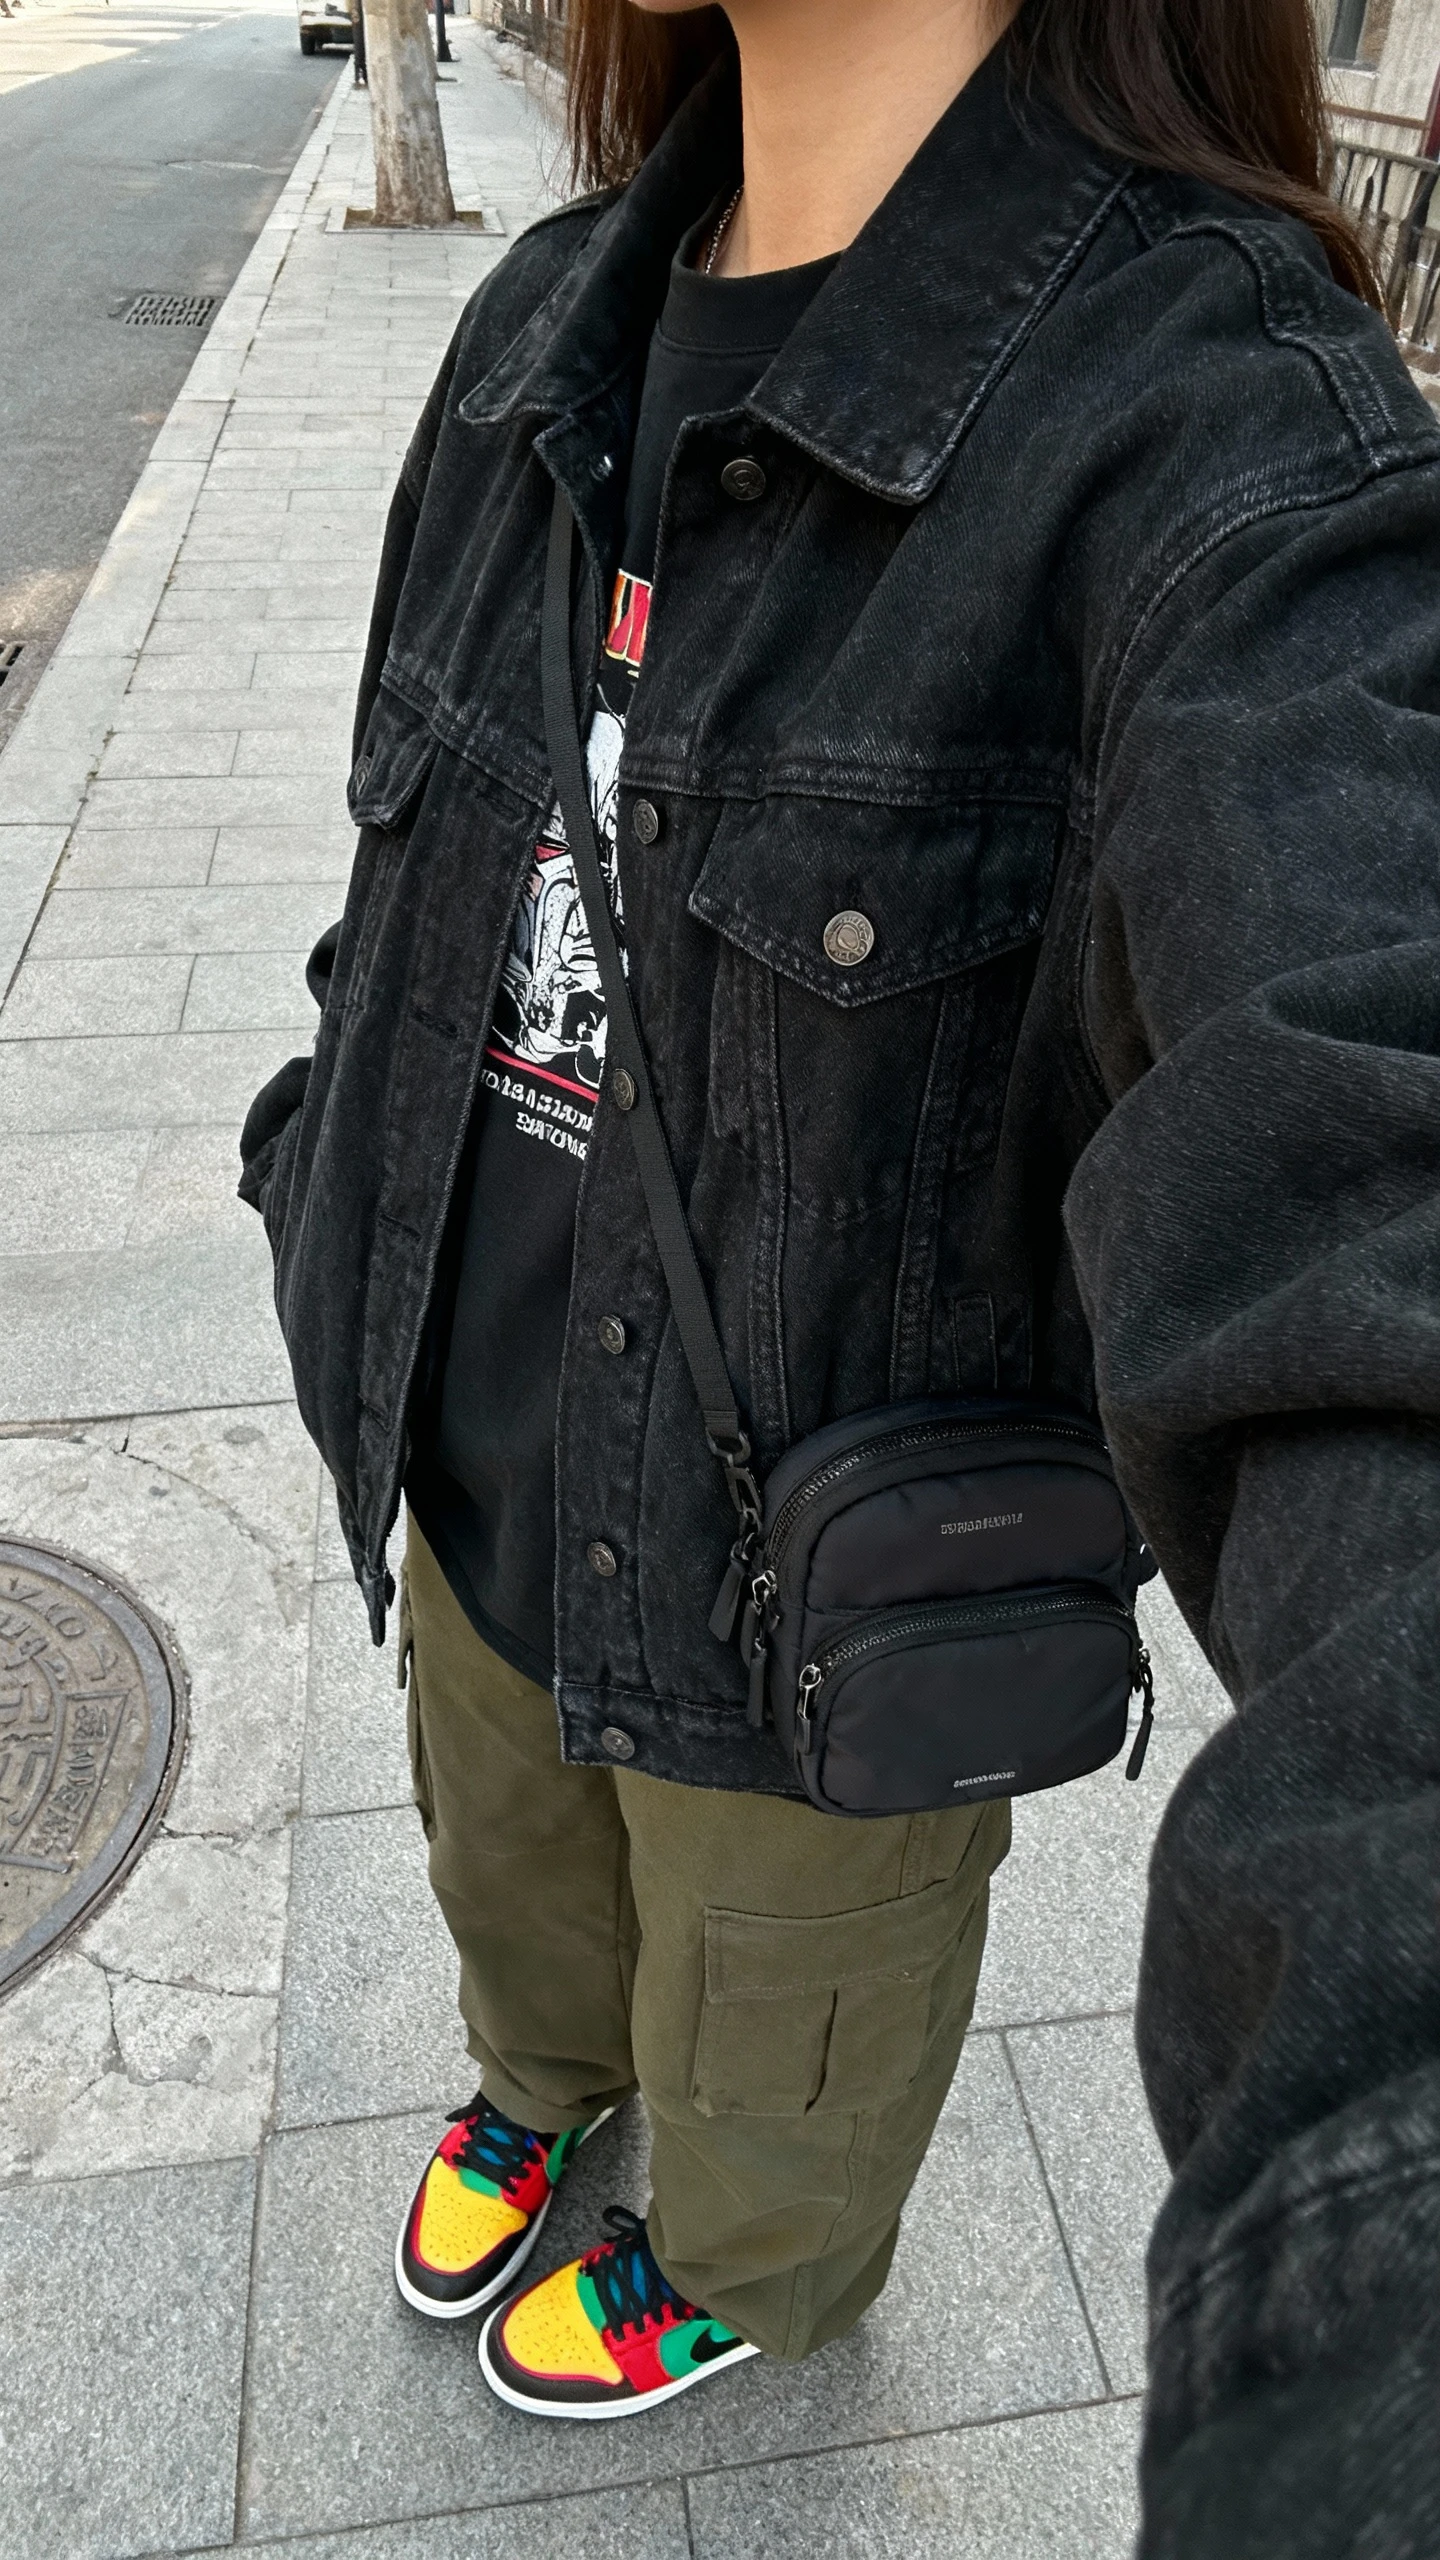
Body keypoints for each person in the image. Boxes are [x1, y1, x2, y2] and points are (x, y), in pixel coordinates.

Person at [240, 0, 1440, 2541]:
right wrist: (310, 1167)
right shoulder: (537, 325)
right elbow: (398, 883)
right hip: (469, 1462)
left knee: (785, 2001)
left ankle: (741, 2247)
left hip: (812, 1594)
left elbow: (1374, 1131)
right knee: (515, 1868)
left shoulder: (1225, 440)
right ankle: (546, 2086)